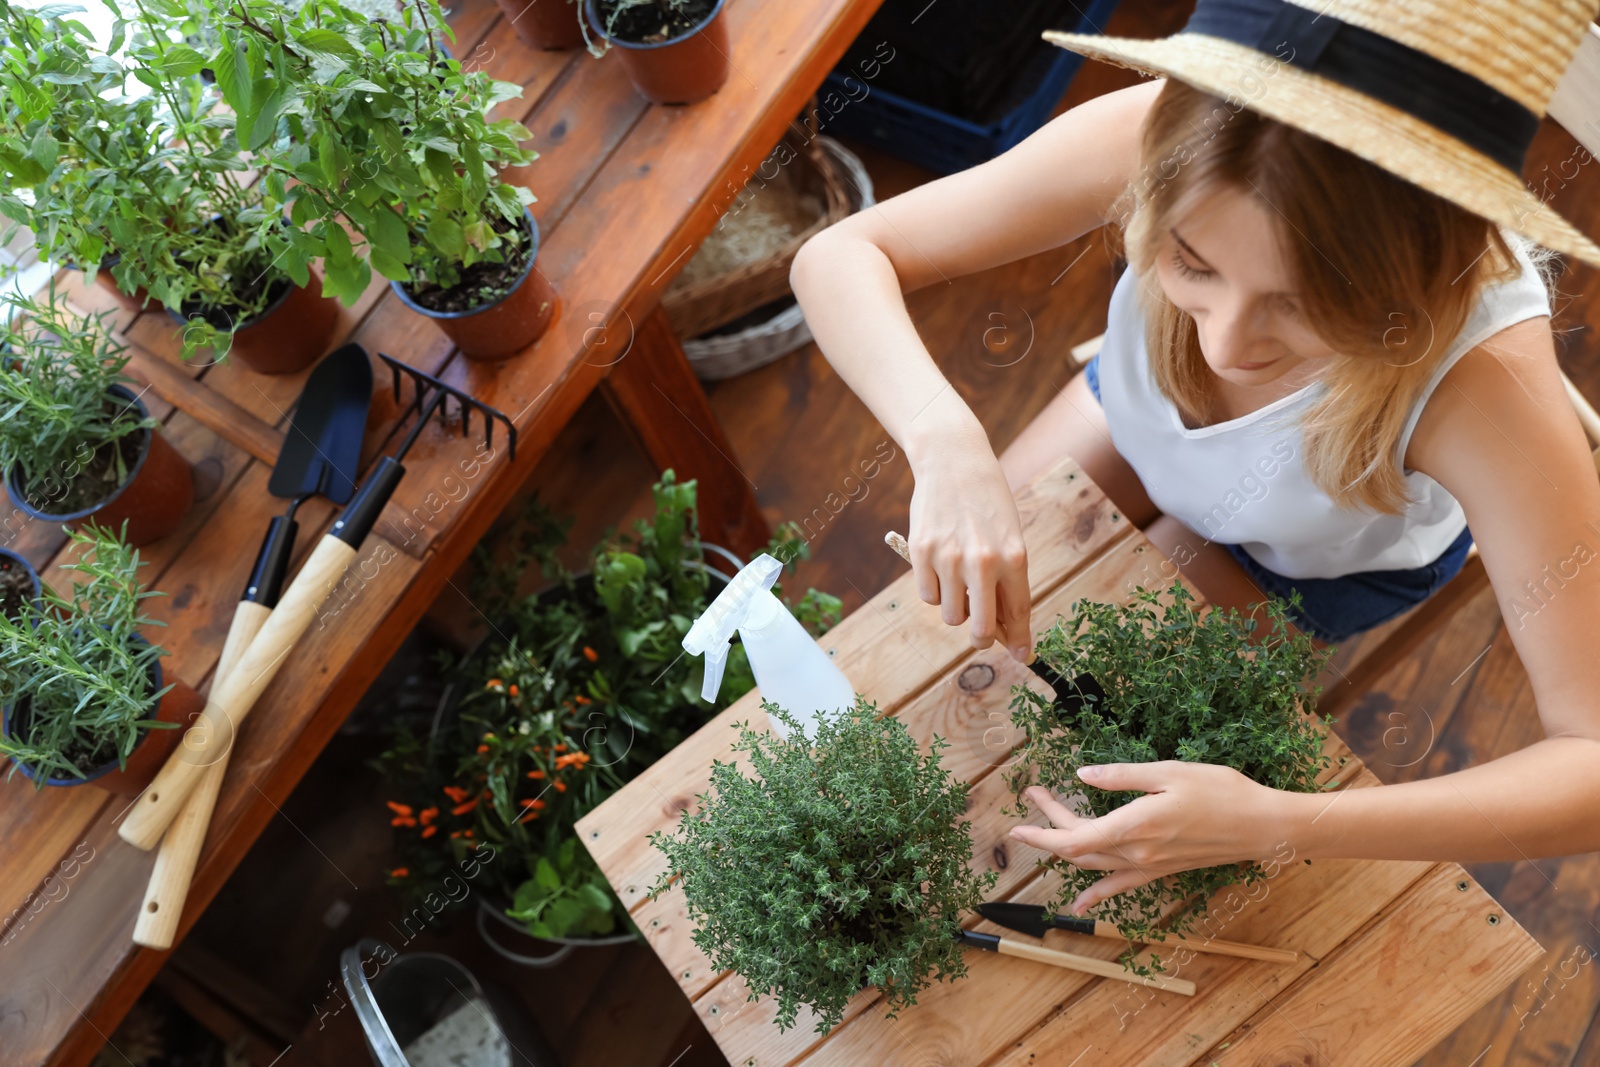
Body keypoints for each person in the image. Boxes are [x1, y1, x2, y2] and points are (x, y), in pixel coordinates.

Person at [789, 0, 1600, 913]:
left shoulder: (1489, 388)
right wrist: (944, 439)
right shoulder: (1169, 133)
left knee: (1042, 759)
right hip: (1136, 425)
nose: (1225, 347)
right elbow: (841, 255)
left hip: (1312, 552)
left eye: (1301, 305)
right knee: (927, 645)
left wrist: (1283, 820)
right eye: (1191, 263)